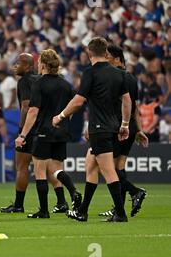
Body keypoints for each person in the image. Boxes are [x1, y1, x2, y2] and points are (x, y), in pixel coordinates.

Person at [52, 37, 131, 222]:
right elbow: (127, 100)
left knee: (109, 171)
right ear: (106, 53)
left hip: (99, 128)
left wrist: (61, 116)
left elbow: (79, 101)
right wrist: (125, 124)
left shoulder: (90, 73)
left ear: (89, 54)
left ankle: (120, 213)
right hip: (111, 127)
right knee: (91, 166)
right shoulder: (119, 74)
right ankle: (83, 211)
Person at [0, 53, 73, 214]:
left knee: (22, 167)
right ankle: (62, 201)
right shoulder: (56, 82)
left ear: (28, 66)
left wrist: (22, 131)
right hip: (51, 129)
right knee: (51, 167)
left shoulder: (26, 81)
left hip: (33, 128)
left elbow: (27, 106)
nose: (14, 66)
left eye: (18, 63)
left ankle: (19, 205)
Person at [16, 49, 81, 218]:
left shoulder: (39, 83)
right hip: (61, 132)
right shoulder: (65, 84)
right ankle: (73, 192)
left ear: (43, 64)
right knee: (57, 169)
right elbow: (72, 108)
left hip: (44, 131)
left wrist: (22, 135)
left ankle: (43, 210)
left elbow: (32, 111)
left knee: (40, 170)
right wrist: (63, 121)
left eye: (39, 63)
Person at [99, 44, 148, 217]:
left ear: (117, 59)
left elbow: (128, 106)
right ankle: (118, 208)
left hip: (119, 127)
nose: (105, 59)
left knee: (107, 168)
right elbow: (136, 107)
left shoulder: (117, 77)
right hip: (130, 127)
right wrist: (139, 130)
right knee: (119, 167)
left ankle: (135, 192)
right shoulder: (131, 78)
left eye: (108, 56)